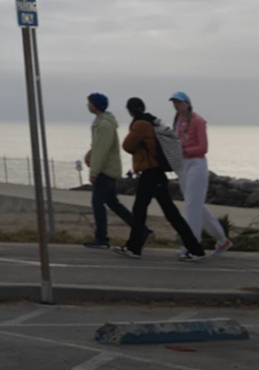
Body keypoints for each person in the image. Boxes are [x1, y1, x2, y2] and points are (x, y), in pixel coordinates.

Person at [116, 95, 206, 261]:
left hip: (151, 172)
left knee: (162, 212)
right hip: (155, 172)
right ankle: (134, 247)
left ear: (130, 110)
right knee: (150, 210)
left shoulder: (140, 124)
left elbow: (127, 145)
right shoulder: (152, 121)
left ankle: (195, 249)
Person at [171, 91, 231, 255]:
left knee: (192, 205)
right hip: (183, 165)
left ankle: (193, 244)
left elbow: (203, 148)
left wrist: (184, 150)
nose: (177, 105)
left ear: (187, 103)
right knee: (195, 205)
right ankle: (222, 239)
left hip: (196, 164)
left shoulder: (197, 121)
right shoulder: (178, 121)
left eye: (179, 102)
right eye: (175, 103)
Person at [81, 93, 134, 248]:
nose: (88, 105)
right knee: (113, 203)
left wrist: (94, 172)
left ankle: (102, 238)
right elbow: (97, 146)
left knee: (98, 203)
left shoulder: (104, 125)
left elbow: (102, 150)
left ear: (96, 105)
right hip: (108, 169)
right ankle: (141, 229)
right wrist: (90, 153)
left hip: (106, 170)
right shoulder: (100, 122)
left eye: (90, 102)